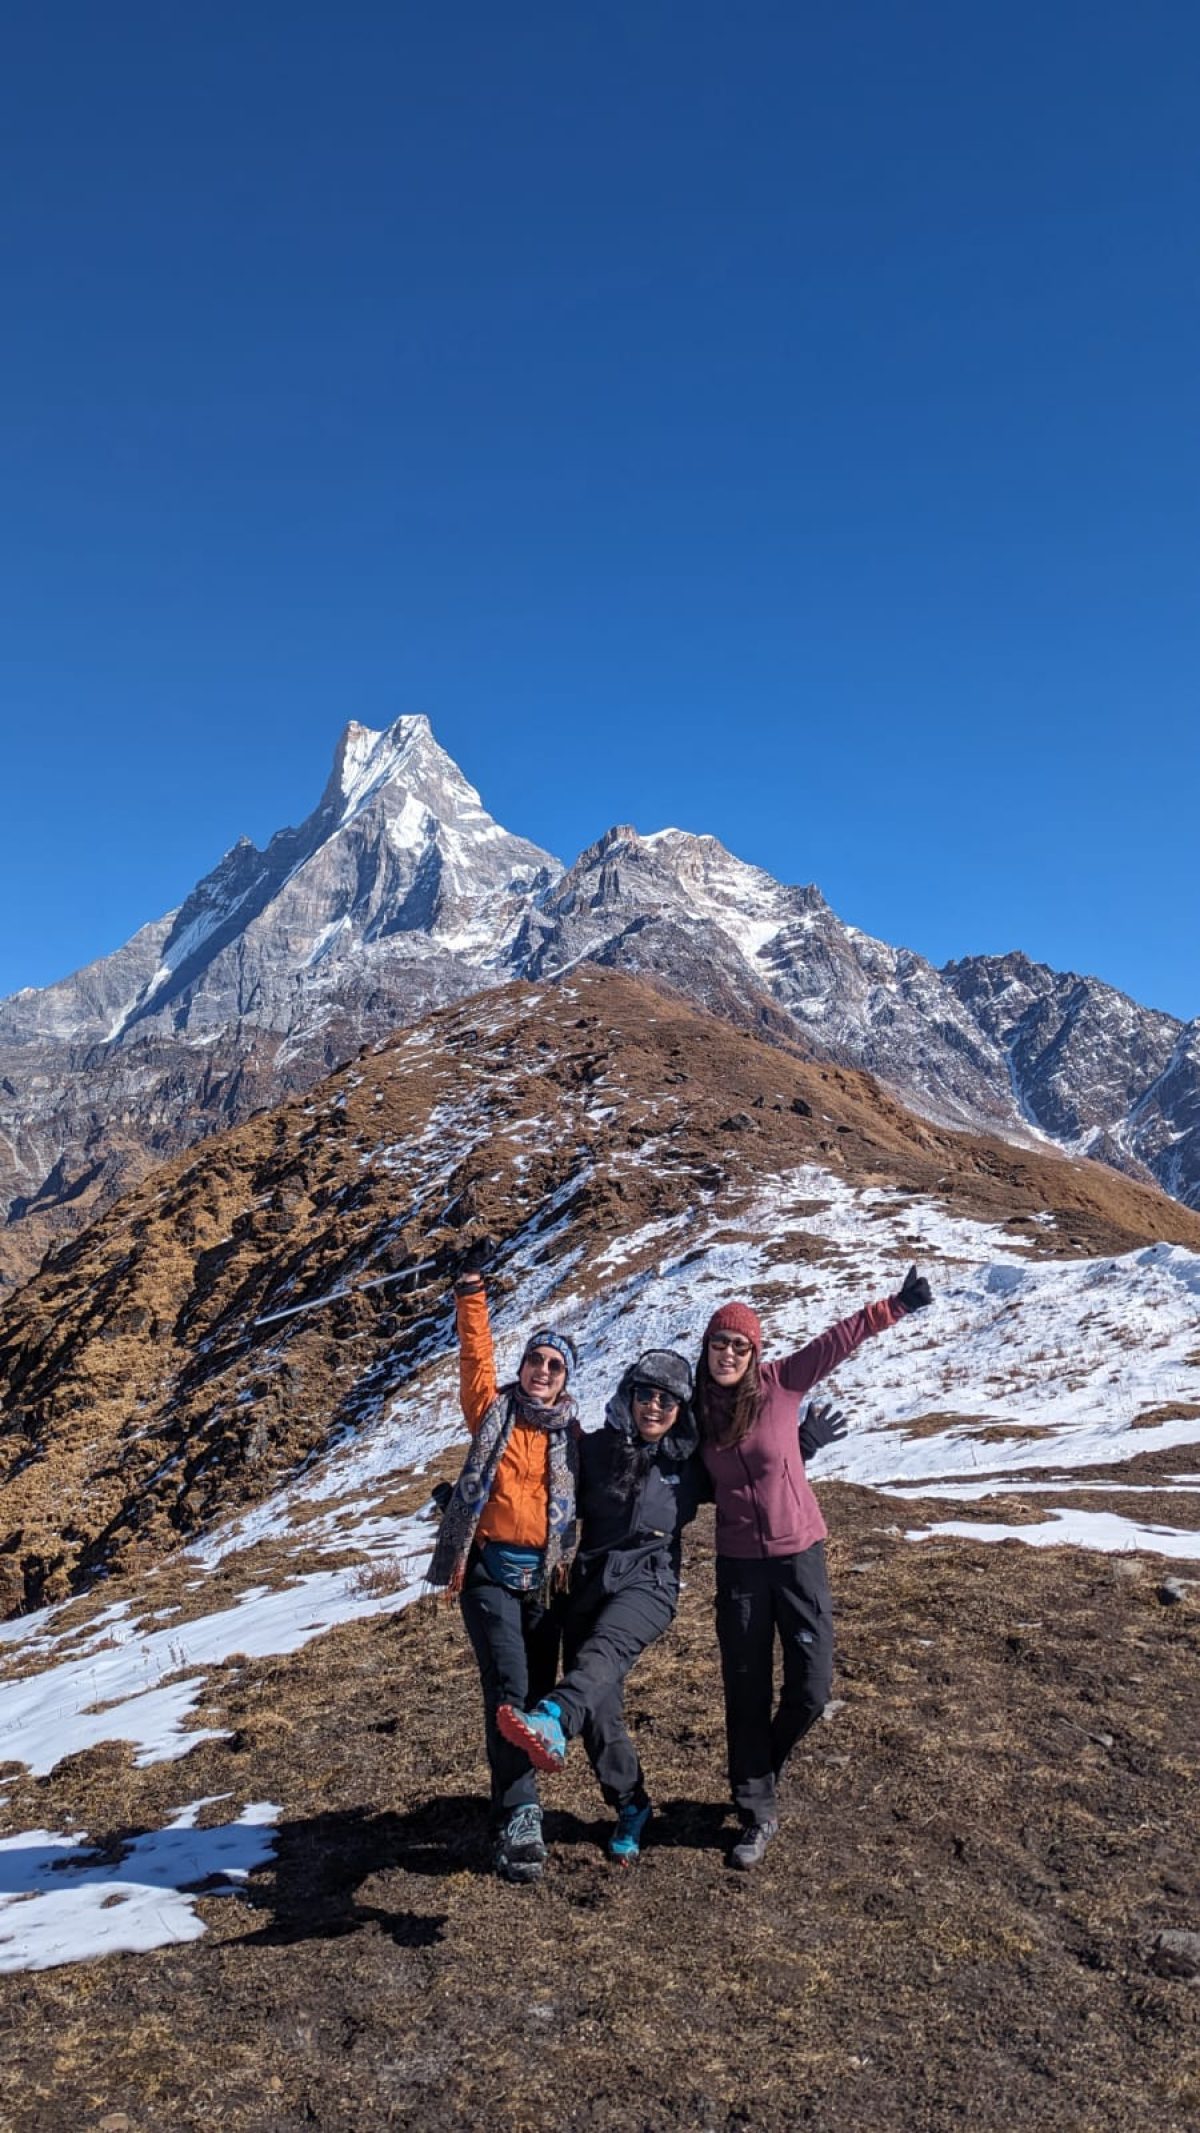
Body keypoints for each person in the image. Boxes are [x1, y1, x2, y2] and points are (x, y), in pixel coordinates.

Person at [696, 1263, 933, 1870]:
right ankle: (756, 1808)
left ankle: (760, 1768)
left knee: (811, 1686)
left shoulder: (782, 1384)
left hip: (800, 1556)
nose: (727, 1354)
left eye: (738, 1345)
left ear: (755, 1351)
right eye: (718, 1343)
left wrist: (896, 1305)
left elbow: (837, 1341)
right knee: (745, 1689)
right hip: (739, 1567)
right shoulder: (697, 1412)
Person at [495, 1347, 701, 1864]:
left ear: (681, 1407)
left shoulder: (692, 1461)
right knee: (600, 1711)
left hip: (650, 1584)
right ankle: (631, 1802)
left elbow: (752, 1472)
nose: (654, 1406)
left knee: (601, 1657)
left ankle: (551, 1718)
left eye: (667, 1399)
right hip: (589, 1586)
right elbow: (539, 1490)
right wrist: (470, 1506)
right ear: (628, 1395)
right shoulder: (595, 1448)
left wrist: (803, 1442)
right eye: (645, 1394)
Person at [426, 1265, 581, 1885]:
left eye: (554, 1365)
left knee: (532, 1700)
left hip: (544, 1584)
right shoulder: (491, 1412)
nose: (541, 1372)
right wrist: (472, 1294)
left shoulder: (570, 1437)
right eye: (535, 1361)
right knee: (511, 1689)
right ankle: (522, 1820)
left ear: (566, 1378)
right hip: (489, 1573)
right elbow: (475, 1357)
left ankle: (509, 1807)